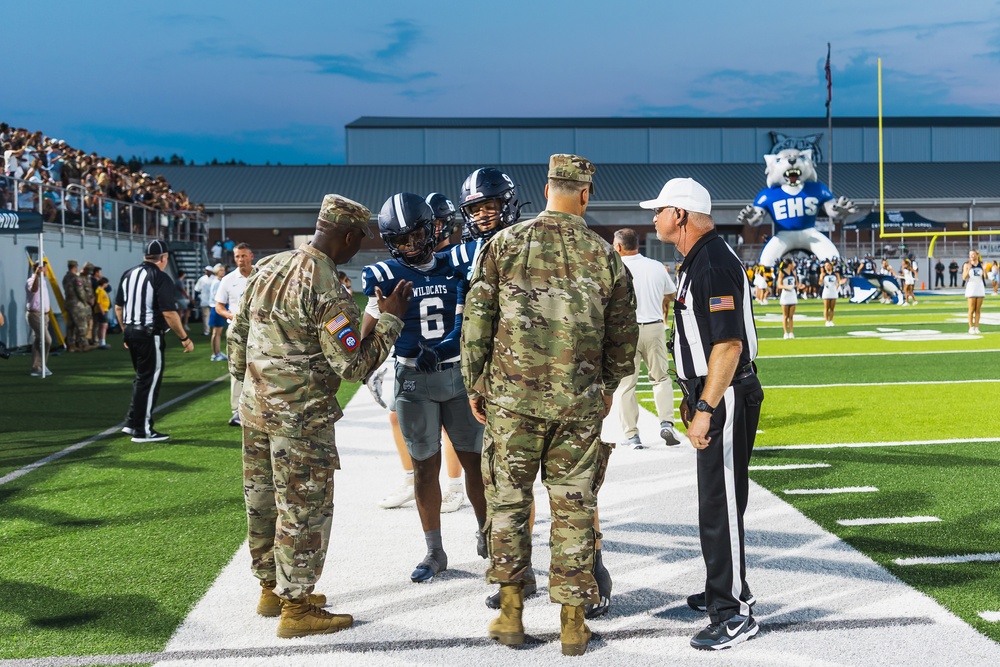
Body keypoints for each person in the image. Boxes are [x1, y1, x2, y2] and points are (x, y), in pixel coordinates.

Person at [462, 154, 638, 656]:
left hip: (510, 402)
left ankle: (512, 613)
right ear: (585, 194)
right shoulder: (605, 255)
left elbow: (476, 324)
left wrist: (476, 386)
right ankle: (572, 624)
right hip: (577, 404)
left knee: (509, 504)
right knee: (573, 507)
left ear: (546, 188)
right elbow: (622, 337)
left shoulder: (503, 243)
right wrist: (606, 386)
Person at [228, 194, 411, 638]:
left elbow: (237, 341)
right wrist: (389, 321)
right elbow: (352, 366)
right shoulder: (328, 284)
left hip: (255, 409)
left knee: (263, 502)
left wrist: (252, 383)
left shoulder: (269, 266)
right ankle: (297, 610)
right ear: (347, 236)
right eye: (358, 240)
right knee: (303, 508)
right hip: (300, 419)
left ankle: (272, 589)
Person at [641, 176, 763, 650]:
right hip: (715, 390)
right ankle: (728, 588)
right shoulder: (701, 258)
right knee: (717, 502)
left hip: (726, 392)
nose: (654, 217)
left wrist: (707, 406)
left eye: (661, 209)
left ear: (682, 215)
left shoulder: (710, 262)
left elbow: (729, 345)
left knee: (721, 504)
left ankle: (732, 612)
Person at [361, 193, 488, 584]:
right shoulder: (382, 277)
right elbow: (364, 341)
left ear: (432, 228)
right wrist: (380, 320)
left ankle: (489, 535)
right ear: (389, 242)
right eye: (401, 240)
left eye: (416, 235)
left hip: (459, 375)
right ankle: (435, 549)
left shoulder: (459, 262)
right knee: (424, 468)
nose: (411, 246)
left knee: (476, 463)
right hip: (413, 380)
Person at [115, 240, 195, 443]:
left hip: (131, 330)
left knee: (142, 378)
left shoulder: (128, 274)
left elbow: (118, 307)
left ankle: (132, 422)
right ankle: (143, 431)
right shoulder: (160, 277)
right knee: (149, 381)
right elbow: (169, 312)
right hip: (149, 334)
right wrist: (184, 338)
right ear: (164, 258)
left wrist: (126, 331)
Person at [611, 227, 681, 448]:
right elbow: (671, 293)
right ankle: (666, 423)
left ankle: (632, 435)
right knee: (660, 378)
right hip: (654, 327)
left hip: (625, 330)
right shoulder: (656, 266)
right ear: (637, 245)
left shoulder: (614, 267)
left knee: (626, 385)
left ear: (619, 246)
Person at [216, 243, 255, 426]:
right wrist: (231, 315)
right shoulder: (228, 280)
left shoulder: (261, 276)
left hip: (259, 330)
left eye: (243, 256)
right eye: (237, 256)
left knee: (261, 367)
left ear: (251, 256)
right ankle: (236, 411)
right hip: (237, 331)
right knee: (237, 370)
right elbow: (219, 306)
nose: (240, 260)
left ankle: (258, 406)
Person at [26, 263, 52, 376]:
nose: (46, 271)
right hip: (35, 314)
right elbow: (33, 289)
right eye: (45, 269)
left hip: (44, 315)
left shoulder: (44, 281)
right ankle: (42, 365)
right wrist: (37, 274)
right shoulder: (31, 280)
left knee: (38, 340)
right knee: (47, 340)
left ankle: (36, 366)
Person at [61, 260, 93, 352]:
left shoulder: (65, 277)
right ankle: (84, 344)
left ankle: (71, 345)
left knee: (70, 325)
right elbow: (80, 292)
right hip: (77, 304)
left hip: (68, 303)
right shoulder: (76, 278)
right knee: (81, 324)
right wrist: (87, 301)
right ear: (75, 267)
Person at [963, 249, 986, 334]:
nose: (972, 256)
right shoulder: (967, 265)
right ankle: (971, 327)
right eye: (970, 255)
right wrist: (968, 269)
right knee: (971, 309)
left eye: (973, 254)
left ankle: (976, 327)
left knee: (978, 310)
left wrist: (985, 270)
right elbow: (964, 277)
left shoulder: (981, 264)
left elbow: (985, 277)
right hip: (971, 287)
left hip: (980, 287)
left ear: (977, 255)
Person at [208, 264, 227, 361]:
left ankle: (218, 352)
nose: (223, 272)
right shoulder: (216, 282)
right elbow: (217, 297)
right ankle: (215, 354)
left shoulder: (220, 281)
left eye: (223, 270)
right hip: (216, 308)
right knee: (216, 333)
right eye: (220, 270)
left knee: (218, 332)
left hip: (219, 308)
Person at [777, 259, 798, 339]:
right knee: (785, 316)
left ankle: (791, 332)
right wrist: (787, 287)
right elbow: (779, 285)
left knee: (791, 316)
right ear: (789, 264)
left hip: (793, 294)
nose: (794, 264)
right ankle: (785, 333)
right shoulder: (782, 273)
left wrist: (800, 287)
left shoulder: (793, 272)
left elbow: (796, 284)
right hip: (785, 295)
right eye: (792, 263)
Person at [819, 260, 845, 326]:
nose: (827, 267)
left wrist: (840, 283)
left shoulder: (836, 274)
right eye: (826, 266)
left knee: (832, 308)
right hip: (826, 292)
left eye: (828, 265)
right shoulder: (823, 274)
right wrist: (821, 279)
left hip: (833, 292)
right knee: (826, 308)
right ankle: (827, 321)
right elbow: (820, 283)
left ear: (831, 266)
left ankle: (831, 320)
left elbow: (839, 282)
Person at [194, 265, 215, 335]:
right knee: (205, 316)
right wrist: (196, 298)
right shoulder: (202, 279)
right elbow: (197, 289)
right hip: (204, 300)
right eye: (205, 271)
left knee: (213, 316)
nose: (206, 272)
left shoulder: (215, 279)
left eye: (207, 271)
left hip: (213, 301)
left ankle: (214, 330)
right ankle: (207, 330)